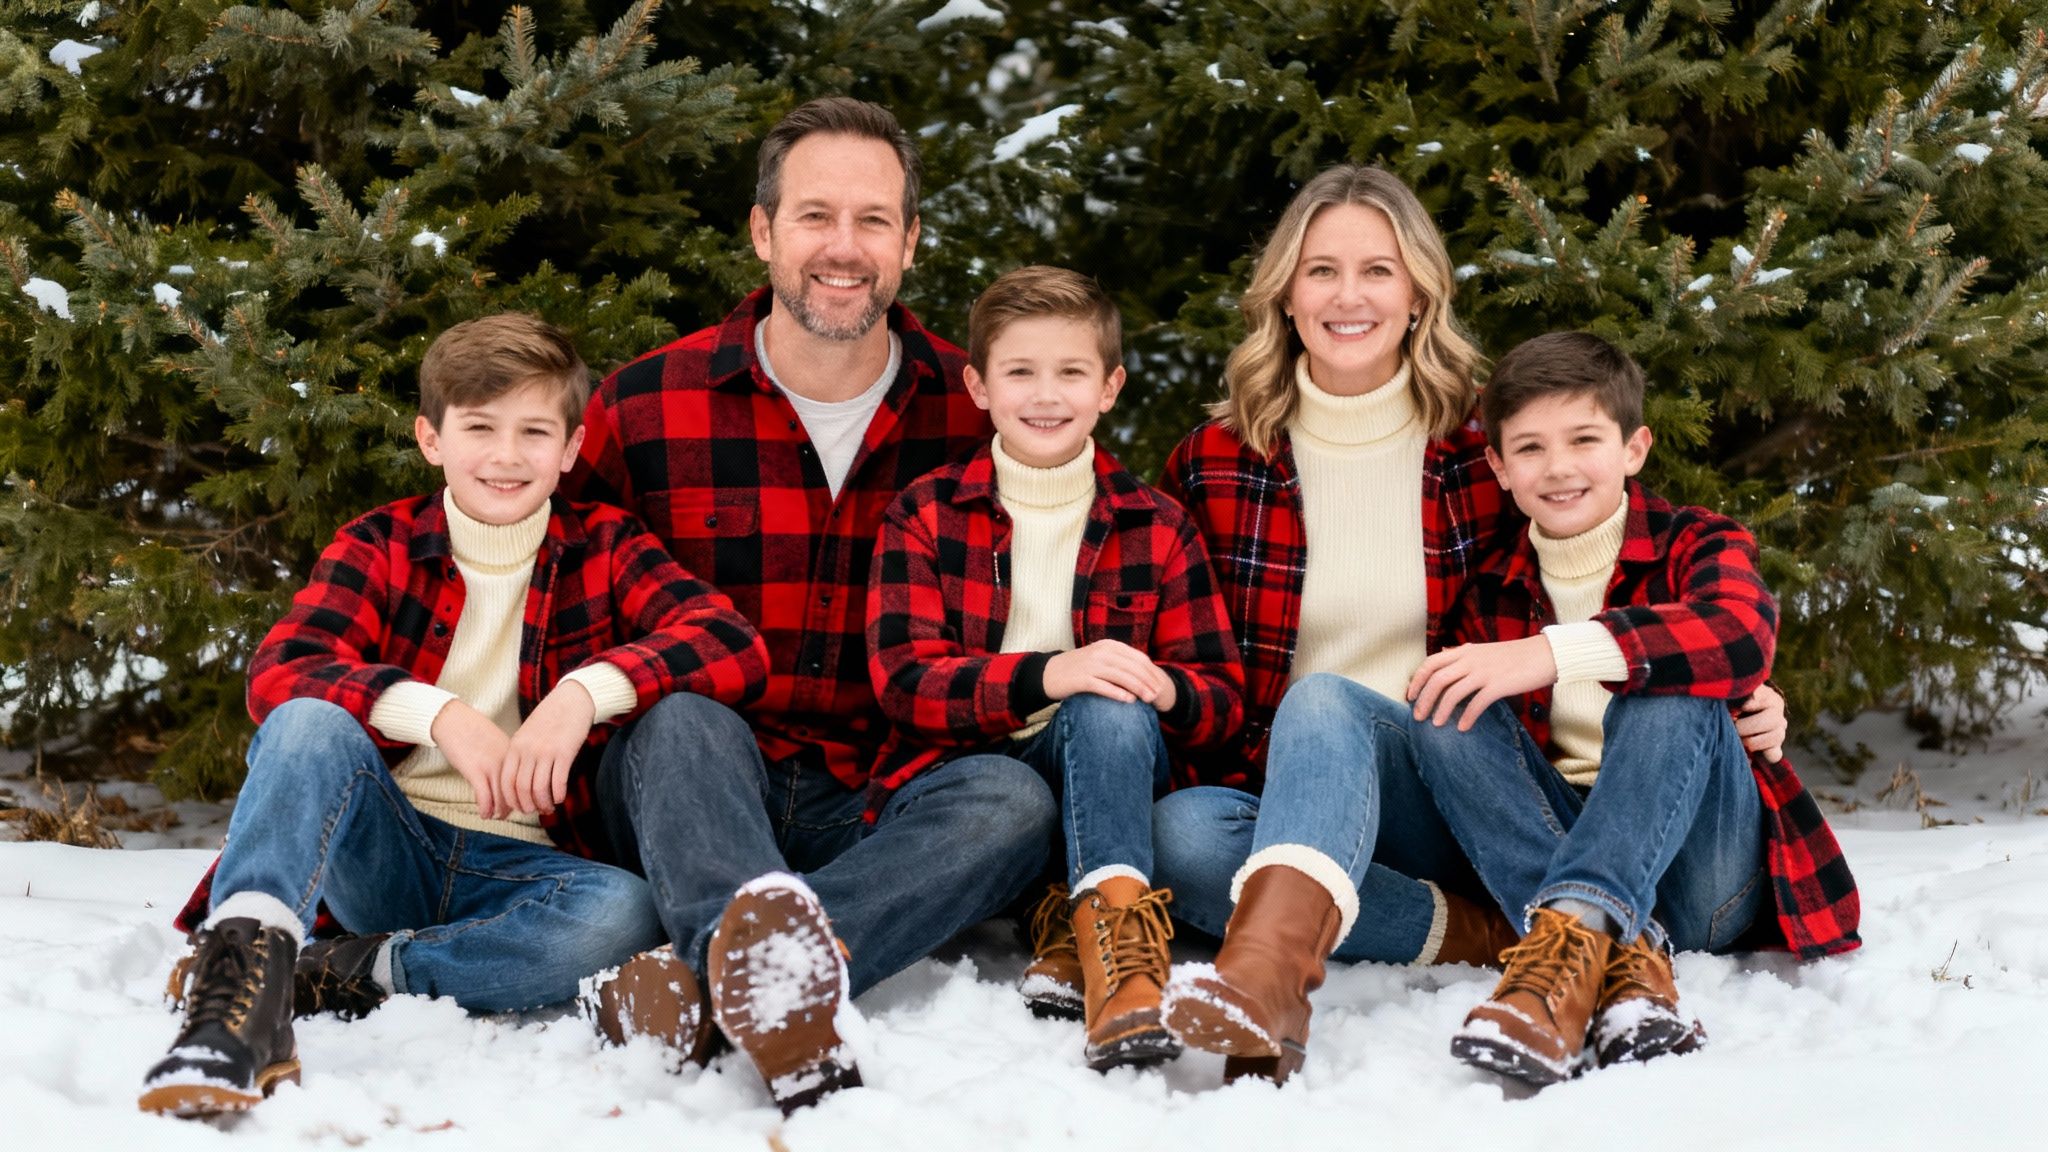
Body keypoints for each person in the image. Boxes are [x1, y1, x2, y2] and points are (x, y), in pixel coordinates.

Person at [1149, 166, 1791, 1085]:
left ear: (1417, 291)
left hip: (1496, 783)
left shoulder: (1480, 441)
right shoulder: (1216, 460)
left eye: (1378, 269)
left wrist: (1747, 687)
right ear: (1284, 292)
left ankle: (1557, 928)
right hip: (1348, 788)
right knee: (1193, 835)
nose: (1349, 295)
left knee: (1632, 683)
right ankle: (1315, 968)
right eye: (1321, 269)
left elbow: (1628, 590)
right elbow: (1185, 652)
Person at [140, 314, 770, 1118]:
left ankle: (353, 971)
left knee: (624, 914)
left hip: (529, 873)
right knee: (306, 721)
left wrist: (584, 693)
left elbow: (730, 643)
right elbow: (282, 672)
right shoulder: (381, 544)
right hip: (386, 846)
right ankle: (237, 999)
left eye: (535, 431)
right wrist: (438, 715)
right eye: (479, 428)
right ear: (431, 438)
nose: (507, 456)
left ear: (572, 449)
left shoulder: (608, 545)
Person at [564, 98, 1056, 1113]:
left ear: (910, 243)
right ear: (762, 231)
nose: (844, 247)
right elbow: (561, 603)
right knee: (681, 715)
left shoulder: (980, 415)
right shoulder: (648, 403)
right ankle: (769, 976)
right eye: (814, 216)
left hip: (877, 791)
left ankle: (725, 982)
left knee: (1012, 803)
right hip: (696, 784)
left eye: (873, 220)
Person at [1400, 332, 1860, 1087]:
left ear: (1634, 447)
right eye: (1530, 448)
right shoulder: (1489, 589)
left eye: (1585, 439)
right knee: (1443, 700)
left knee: (1669, 678)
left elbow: (1740, 637)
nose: (1559, 467)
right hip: (1551, 847)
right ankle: (1613, 962)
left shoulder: (1696, 542)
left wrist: (1552, 652)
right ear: (1499, 468)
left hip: (1701, 877)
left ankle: (1566, 951)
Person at [865, 265, 1244, 1071]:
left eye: (1071, 372)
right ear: (977, 384)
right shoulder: (928, 511)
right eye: (1020, 372)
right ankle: (1067, 917)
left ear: (1110, 387)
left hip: (1110, 783)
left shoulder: (1158, 524)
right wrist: (1049, 673)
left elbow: (1222, 702)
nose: (1046, 395)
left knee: (1111, 704)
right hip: (969, 783)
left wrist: (1160, 683)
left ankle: (1120, 970)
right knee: (1069, 717)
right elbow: (904, 682)